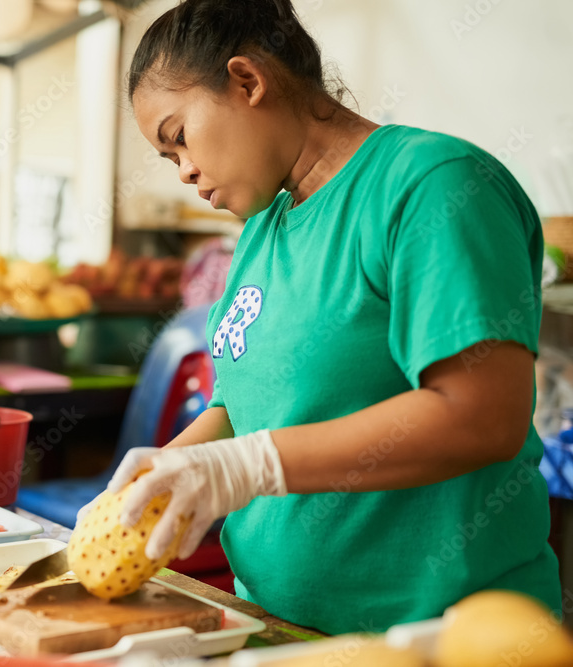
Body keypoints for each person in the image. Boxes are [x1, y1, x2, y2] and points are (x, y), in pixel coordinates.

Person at [95, 0, 562, 635]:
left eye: (179, 137)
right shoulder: (264, 230)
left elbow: (482, 415)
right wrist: (151, 480)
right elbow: (242, 410)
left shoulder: (433, 187)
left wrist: (249, 466)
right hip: (274, 626)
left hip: (437, 635)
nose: (183, 171)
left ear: (247, 80)